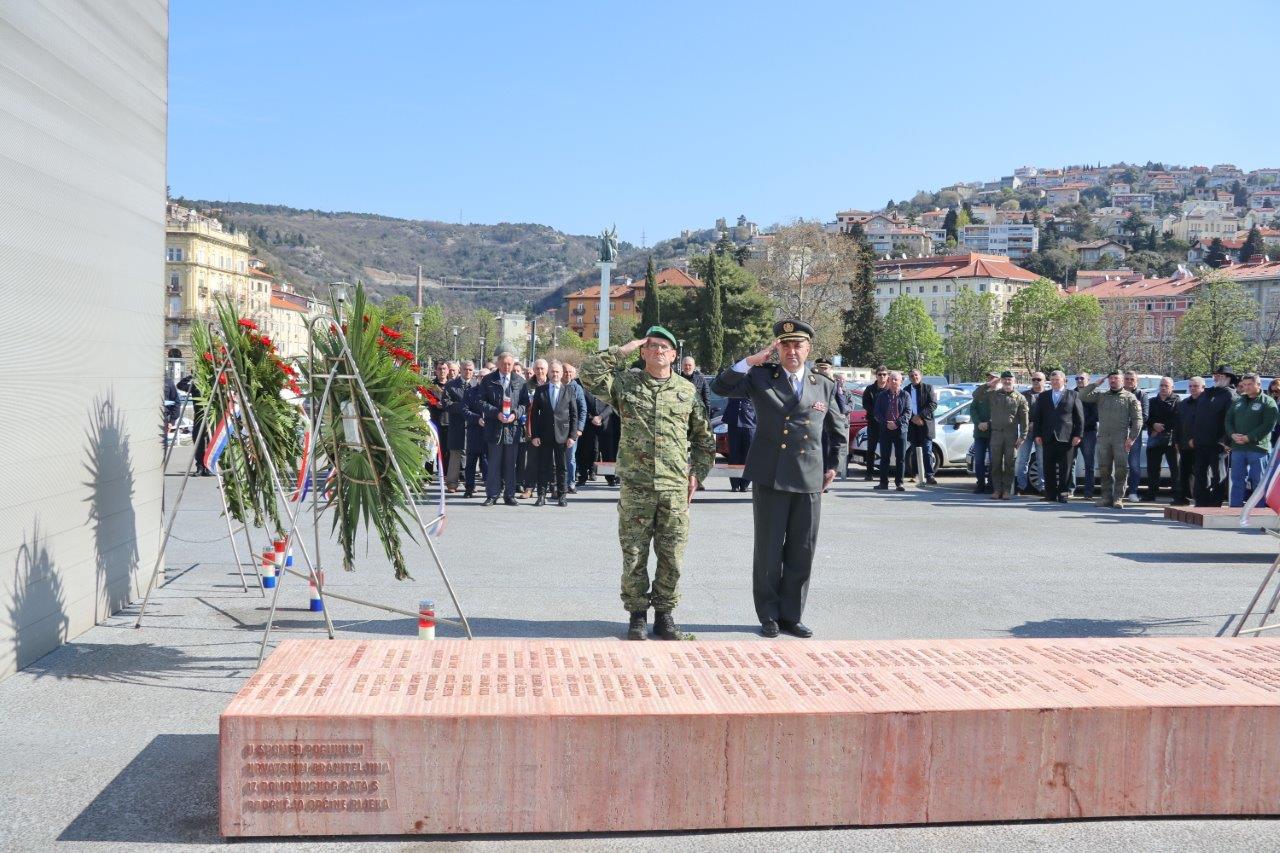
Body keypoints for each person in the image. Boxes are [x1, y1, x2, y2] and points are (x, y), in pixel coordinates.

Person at [713, 320, 846, 639]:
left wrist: (834, 465)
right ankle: (769, 615)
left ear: (808, 349)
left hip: (810, 476)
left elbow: (837, 428)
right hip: (771, 474)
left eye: (797, 345)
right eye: (785, 345)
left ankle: (792, 615)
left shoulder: (823, 384)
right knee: (769, 550)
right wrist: (750, 361)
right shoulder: (761, 377)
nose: (791, 351)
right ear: (778, 349)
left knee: (802, 549)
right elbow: (720, 387)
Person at [581, 326, 715, 641]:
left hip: (673, 487)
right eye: (651, 346)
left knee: (672, 555)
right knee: (634, 553)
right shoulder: (626, 384)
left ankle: (665, 615)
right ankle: (637, 615)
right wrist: (622, 350)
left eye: (664, 347)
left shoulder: (686, 391)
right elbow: (588, 375)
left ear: (673, 354)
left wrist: (697, 472)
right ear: (643, 352)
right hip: (636, 487)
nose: (657, 352)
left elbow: (704, 437)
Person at [1078, 370, 1143, 509]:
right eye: (1111, 378)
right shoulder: (1102, 395)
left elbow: (1138, 420)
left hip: (1120, 439)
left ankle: (1118, 498)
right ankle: (1106, 498)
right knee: (1104, 469)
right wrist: (1096, 383)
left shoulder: (1129, 397)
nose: (1112, 380)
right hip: (1103, 439)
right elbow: (1081, 395)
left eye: (1116, 378)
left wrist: (1131, 438)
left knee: (1121, 469)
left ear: (1121, 380)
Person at [474, 350, 526, 506]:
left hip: (513, 428)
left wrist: (515, 414)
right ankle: (492, 494)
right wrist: (495, 413)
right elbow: (480, 401)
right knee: (494, 463)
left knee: (511, 464)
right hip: (494, 427)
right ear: (498, 364)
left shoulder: (519, 381)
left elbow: (524, 404)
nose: (507, 367)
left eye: (510, 364)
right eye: (504, 364)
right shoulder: (489, 380)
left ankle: (509, 495)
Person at [527, 360, 581, 507]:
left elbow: (574, 415)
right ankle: (541, 495)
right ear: (548, 373)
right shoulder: (541, 390)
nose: (555, 374)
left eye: (557, 372)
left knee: (562, 467)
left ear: (561, 373)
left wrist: (572, 436)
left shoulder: (569, 391)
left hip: (563, 436)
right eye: (552, 371)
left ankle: (562, 496)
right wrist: (535, 435)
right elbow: (534, 415)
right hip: (544, 435)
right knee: (543, 466)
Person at [973, 371, 1029, 500]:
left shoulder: (1019, 397)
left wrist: (1023, 436)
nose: (1007, 382)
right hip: (996, 434)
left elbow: (1024, 418)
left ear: (1014, 381)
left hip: (1011, 435)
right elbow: (976, 395)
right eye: (1004, 379)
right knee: (996, 463)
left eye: (1010, 379)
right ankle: (997, 490)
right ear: (1001, 381)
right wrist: (990, 383)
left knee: (1009, 464)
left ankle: (1007, 490)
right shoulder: (993, 395)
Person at [1226, 372, 1279, 508]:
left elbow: (1268, 425)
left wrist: (1249, 437)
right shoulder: (1238, 401)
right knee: (1237, 480)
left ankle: (1258, 509)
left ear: (1258, 385)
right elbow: (1228, 420)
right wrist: (1232, 434)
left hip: (1258, 448)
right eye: (1244, 385)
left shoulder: (1268, 401)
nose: (1247, 387)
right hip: (1238, 447)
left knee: (1258, 481)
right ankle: (1235, 508)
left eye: (1250, 384)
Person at [1030, 370, 1083, 503]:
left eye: (1057, 380)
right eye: (1052, 380)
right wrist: (1037, 434)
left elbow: (1079, 418)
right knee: (1048, 466)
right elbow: (1038, 418)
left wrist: (1078, 435)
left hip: (1067, 437)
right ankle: (1050, 494)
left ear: (1064, 380)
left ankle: (1063, 493)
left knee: (1066, 467)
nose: (1054, 382)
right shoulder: (1043, 396)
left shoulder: (1074, 395)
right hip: (1048, 437)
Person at [1190, 365, 1237, 507]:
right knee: (1200, 473)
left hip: (1218, 443)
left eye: (1220, 375)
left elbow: (1231, 420)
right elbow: (1197, 416)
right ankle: (1201, 501)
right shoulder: (1207, 393)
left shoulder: (1230, 395)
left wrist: (1226, 441)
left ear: (1228, 378)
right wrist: (1194, 436)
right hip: (1201, 440)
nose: (1216, 377)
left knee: (1218, 474)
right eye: (1215, 374)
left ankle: (1216, 502)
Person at [1144, 376, 1181, 504]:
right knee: (1153, 468)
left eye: (1166, 386)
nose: (1163, 388)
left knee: (1175, 468)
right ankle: (1151, 494)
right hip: (1154, 438)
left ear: (1172, 388)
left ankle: (1177, 495)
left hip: (1171, 439)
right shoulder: (1152, 401)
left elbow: (1176, 419)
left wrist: (1161, 427)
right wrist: (1153, 425)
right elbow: (1146, 417)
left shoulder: (1177, 401)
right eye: (1161, 385)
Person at [871, 370, 910, 492]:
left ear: (900, 381)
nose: (893, 381)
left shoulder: (905, 395)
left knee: (901, 458)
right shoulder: (882, 395)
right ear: (888, 381)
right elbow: (877, 412)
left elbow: (908, 412)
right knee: (885, 457)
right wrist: (886, 423)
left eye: (896, 379)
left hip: (900, 430)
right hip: (885, 430)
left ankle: (900, 483)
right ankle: (883, 483)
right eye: (891, 379)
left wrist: (896, 423)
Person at [814, 359, 848, 489]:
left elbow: (839, 404)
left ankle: (824, 477)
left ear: (830, 369)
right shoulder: (811, 381)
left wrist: (841, 416)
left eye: (825, 368)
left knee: (826, 451)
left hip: (828, 423)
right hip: (815, 424)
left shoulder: (832, 384)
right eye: (820, 368)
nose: (823, 370)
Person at [517, 358, 548, 499]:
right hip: (532, 426)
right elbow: (522, 404)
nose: (540, 371)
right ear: (534, 370)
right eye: (537, 369)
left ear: (546, 370)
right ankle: (529, 488)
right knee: (531, 460)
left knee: (550, 460)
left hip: (550, 428)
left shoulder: (552, 383)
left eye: (542, 369)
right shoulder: (526, 385)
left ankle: (550, 487)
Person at [904, 368, 938, 485]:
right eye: (912, 376)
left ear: (920, 376)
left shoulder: (928, 388)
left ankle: (929, 475)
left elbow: (933, 404)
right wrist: (913, 417)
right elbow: (903, 407)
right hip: (912, 425)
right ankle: (915, 474)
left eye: (916, 375)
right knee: (914, 450)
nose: (914, 377)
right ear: (909, 378)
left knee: (927, 451)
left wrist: (920, 416)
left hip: (925, 424)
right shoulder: (906, 390)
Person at [442, 361, 473, 493]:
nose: (468, 372)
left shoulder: (477, 385)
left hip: (473, 425)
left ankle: (469, 484)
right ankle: (452, 483)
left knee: (471, 454)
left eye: (470, 370)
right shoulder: (451, 385)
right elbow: (446, 403)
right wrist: (461, 407)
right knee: (455, 453)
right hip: (457, 424)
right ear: (461, 370)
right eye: (465, 369)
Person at [1015, 372, 1046, 496]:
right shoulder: (1024, 395)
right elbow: (1019, 414)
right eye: (1034, 379)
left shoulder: (1048, 395)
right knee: (1023, 459)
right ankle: (1021, 486)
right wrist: (1028, 425)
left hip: (1042, 432)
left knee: (1041, 459)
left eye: (1039, 379)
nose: (1036, 381)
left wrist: (1037, 424)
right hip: (1026, 432)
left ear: (1044, 381)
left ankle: (1042, 486)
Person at [1121, 371, 1149, 502]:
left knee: (1134, 465)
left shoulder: (1142, 395)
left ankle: (1133, 492)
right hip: (1118, 434)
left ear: (1136, 381)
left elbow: (1144, 416)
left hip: (1134, 435)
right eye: (1126, 379)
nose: (1129, 381)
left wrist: (1131, 427)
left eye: (1132, 379)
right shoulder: (1118, 393)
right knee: (1119, 464)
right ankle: (1118, 492)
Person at [461, 363, 487, 498]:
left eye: (485, 376)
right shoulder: (470, 392)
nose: (483, 378)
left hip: (489, 433)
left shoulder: (493, 393)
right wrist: (477, 419)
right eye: (481, 376)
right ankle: (469, 488)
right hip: (474, 432)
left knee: (487, 462)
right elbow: (464, 410)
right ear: (477, 378)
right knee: (470, 462)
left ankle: (490, 489)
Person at [1071, 372, 1099, 498]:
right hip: (1073, 433)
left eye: (1082, 378)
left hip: (1089, 432)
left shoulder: (1094, 395)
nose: (1079, 380)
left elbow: (1096, 415)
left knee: (1089, 463)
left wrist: (1082, 427)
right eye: (1077, 378)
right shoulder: (1071, 394)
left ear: (1088, 379)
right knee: (1070, 462)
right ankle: (1070, 489)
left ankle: (1088, 492)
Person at [562, 362, 589, 493]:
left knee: (570, 457)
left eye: (570, 372)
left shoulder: (577, 388)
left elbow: (583, 409)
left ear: (573, 374)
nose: (567, 374)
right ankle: (558, 482)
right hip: (557, 429)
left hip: (572, 429)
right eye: (565, 372)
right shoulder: (557, 385)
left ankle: (570, 483)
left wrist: (579, 429)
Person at [971, 370, 998, 494]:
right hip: (980, 432)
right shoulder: (981, 392)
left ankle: (991, 484)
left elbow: (1001, 413)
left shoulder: (1000, 393)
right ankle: (980, 483)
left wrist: (989, 423)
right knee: (979, 459)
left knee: (994, 460)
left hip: (994, 432)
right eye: (988, 377)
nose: (990, 379)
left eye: (993, 377)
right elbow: (973, 409)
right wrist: (978, 423)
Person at [723, 394, 756, 492]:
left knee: (748, 455)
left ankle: (745, 484)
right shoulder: (733, 379)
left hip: (750, 420)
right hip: (734, 420)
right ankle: (734, 484)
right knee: (734, 454)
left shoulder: (755, 379)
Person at [861, 366, 888, 480]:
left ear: (887, 376)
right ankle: (869, 473)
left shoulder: (890, 388)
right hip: (873, 422)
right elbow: (866, 404)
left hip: (886, 423)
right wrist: (876, 415)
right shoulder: (870, 389)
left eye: (884, 374)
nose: (882, 376)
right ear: (876, 376)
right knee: (871, 449)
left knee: (885, 449)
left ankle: (884, 474)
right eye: (880, 374)